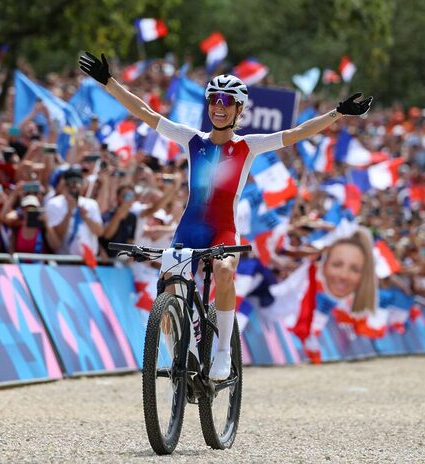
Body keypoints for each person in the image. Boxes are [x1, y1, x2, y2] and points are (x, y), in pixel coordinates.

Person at [79, 51, 372, 380]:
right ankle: (184, 341)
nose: (218, 106)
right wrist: (109, 82)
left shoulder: (249, 146)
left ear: (238, 109)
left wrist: (337, 113)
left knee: (223, 270)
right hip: (189, 229)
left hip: (223, 230)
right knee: (170, 280)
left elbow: (296, 133)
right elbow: (145, 112)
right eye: (214, 100)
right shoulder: (191, 139)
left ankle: (222, 352)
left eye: (226, 101)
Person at [45, 165, 104, 258]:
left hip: (89, 261)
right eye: (70, 182)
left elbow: (99, 232)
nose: (74, 185)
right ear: (64, 184)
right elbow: (56, 238)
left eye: (77, 182)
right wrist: (69, 212)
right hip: (65, 261)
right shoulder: (54, 204)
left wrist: (86, 218)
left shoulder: (91, 204)